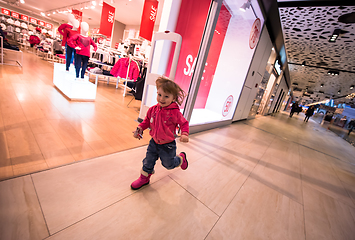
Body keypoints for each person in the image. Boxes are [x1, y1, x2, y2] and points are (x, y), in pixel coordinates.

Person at [131, 77, 189, 190]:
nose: (161, 99)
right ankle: (144, 178)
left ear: (173, 98)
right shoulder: (152, 109)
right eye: (159, 94)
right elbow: (146, 121)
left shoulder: (175, 112)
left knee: (168, 165)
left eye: (166, 96)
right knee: (148, 160)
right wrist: (139, 129)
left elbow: (184, 123)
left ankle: (181, 158)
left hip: (168, 145)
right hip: (154, 142)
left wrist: (184, 133)